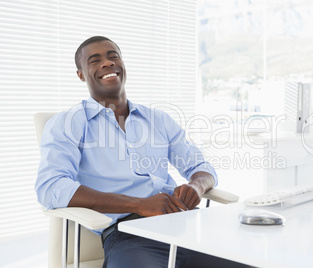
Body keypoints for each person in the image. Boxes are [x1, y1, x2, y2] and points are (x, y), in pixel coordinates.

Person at [35, 36, 249, 268]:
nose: (107, 63)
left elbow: (201, 167)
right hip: (130, 234)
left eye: (113, 56)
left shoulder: (158, 119)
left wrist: (196, 186)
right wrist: (138, 204)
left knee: (252, 259)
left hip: (185, 224)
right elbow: (51, 186)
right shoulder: (68, 123)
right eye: (95, 60)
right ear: (80, 74)